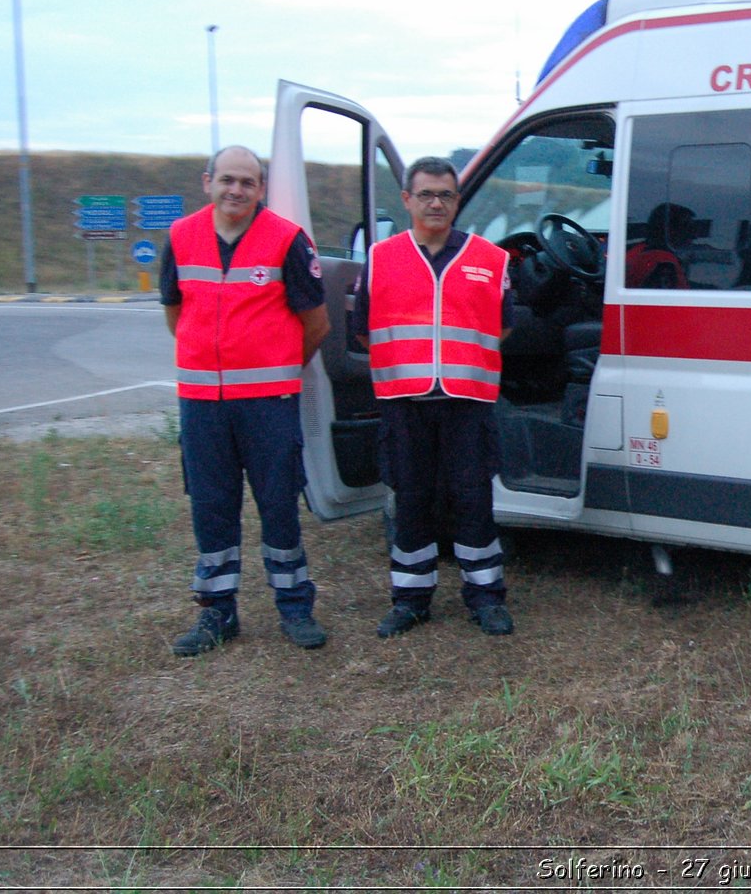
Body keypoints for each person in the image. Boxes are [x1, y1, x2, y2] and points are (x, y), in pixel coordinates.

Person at [161, 145, 331, 655]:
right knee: (212, 506)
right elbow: (176, 313)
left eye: (248, 182)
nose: (236, 190)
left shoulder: (287, 240)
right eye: (227, 179)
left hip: (267, 403)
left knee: (278, 504)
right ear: (207, 181)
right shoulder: (180, 236)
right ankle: (217, 613)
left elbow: (316, 324)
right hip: (202, 402)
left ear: (261, 189)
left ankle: (295, 607)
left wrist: (275, 371)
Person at [352, 155, 515, 638]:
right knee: (411, 500)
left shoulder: (490, 258)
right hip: (405, 403)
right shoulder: (381, 258)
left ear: (458, 201)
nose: (436, 202)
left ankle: (485, 597)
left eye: (445, 194)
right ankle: (410, 599)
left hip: (468, 402)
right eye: (426, 194)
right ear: (407, 200)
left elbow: (503, 325)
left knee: (473, 499)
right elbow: (363, 329)